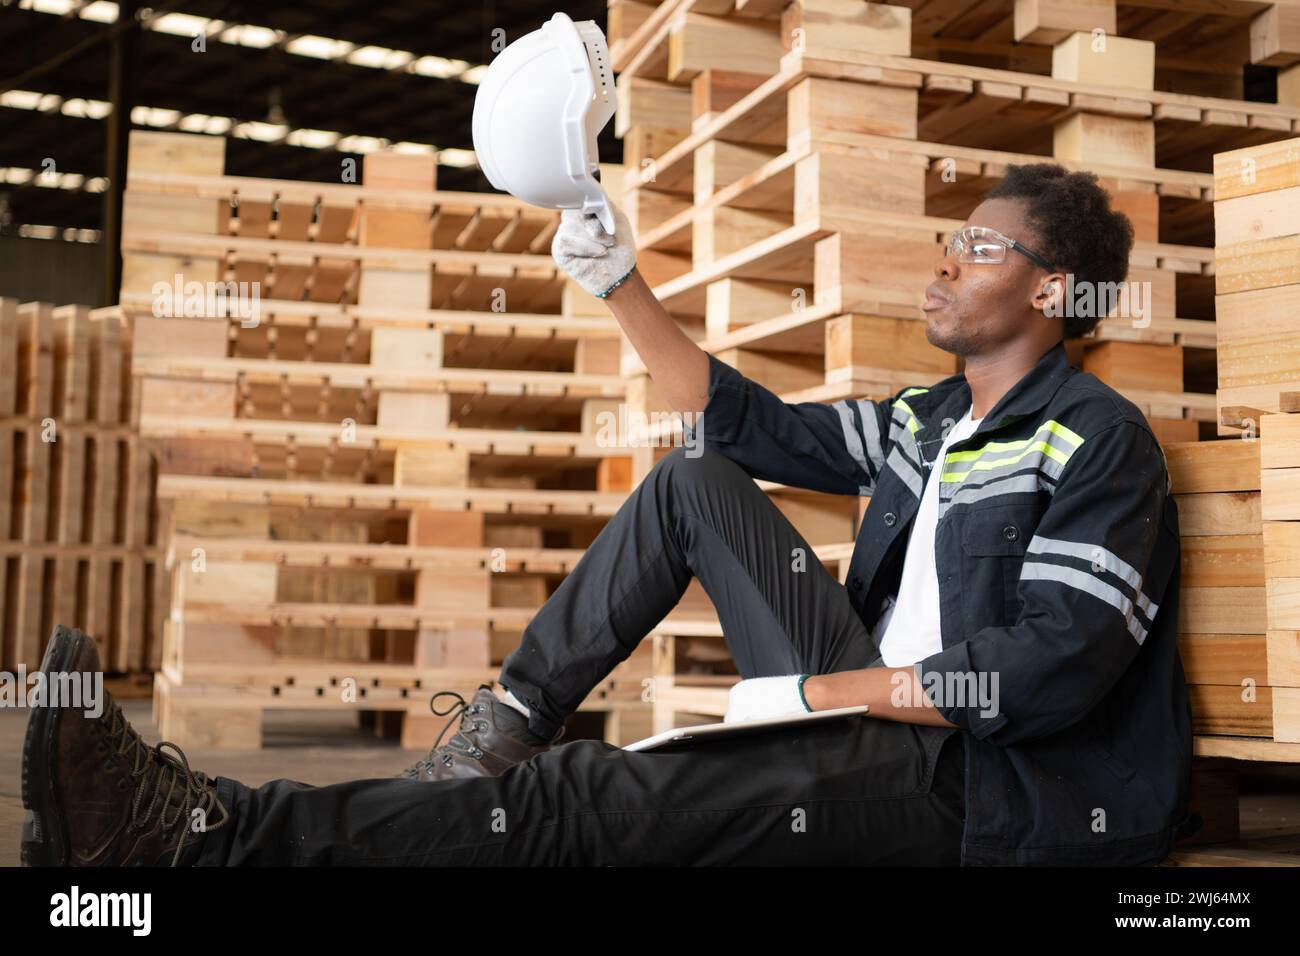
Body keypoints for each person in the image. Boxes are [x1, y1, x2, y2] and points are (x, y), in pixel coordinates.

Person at [21, 163, 1199, 867]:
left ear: (1052, 290)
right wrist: (614, 279)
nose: (943, 262)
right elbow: (734, 423)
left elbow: (1041, 673)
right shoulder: (925, 420)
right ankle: (507, 717)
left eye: (979, 247)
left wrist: (812, 695)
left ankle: (202, 836)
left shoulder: (1096, 441)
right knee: (692, 475)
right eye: (947, 240)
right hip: (874, 710)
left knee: (586, 798)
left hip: (985, 786)